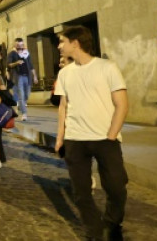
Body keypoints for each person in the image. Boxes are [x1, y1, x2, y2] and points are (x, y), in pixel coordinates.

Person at [54, 25, 128, 241]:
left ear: (75, 43)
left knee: (116, 187)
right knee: (81, 193)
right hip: (75, 140)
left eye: (62, 41)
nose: (59, 46)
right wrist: (60, 137)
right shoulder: (65, 72)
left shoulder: (108, 67)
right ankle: (96, 232)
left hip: (106, 138)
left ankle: (112, 223)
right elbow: (63, 107)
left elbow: (122, 104)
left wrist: (111, 135)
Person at [8, 38, 35, 121]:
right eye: (18, 45)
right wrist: (16, 62)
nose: (19, 46)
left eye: (21, 45)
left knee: (27, 95)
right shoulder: (12, 53)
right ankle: (24, 113)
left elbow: (31, 65)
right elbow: (9, 65)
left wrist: (35, 76)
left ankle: (20, 105)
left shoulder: (26, 53)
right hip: (18, 77)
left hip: (27, 77)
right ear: (15, 45)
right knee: (21, 96)